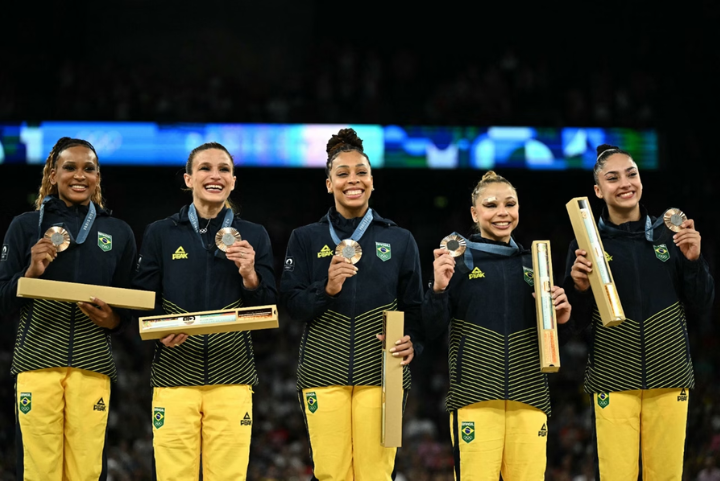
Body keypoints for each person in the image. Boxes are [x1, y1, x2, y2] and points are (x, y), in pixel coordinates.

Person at [279, 128, 423, 480]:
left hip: (383, 372)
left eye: (361, 172)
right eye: (342, 174)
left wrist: (413, 342)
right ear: (329, 184)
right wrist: (326, 288)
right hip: (322, 372)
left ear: (372, 181)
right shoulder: (305, 238)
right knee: (331, 473)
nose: (353, 180)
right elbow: (292, 305)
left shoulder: (399, 239)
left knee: (376, 473)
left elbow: (416, 309)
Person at [565, 144, 714, 480]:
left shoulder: (670, 234)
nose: (625, 183)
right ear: (598, 190)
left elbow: (703, 305)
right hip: (613, 381)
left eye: (631, 173)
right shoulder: (586, 244)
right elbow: (573, 324)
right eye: (613, 178)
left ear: (640, 179)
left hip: (670, 378)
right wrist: (579, 288)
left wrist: (693, 262)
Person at [132, 142, 277, 481]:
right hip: (174, 376)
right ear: (188, 178)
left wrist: (250, 275)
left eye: (224, 169)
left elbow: (269, 306)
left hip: (233, 376)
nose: (215, 175)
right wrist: (158, 328)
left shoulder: (254, 235)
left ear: (234, 180)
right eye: (205, 168)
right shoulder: (161, 232)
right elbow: (143, 298)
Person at [0, 137, 137, 481]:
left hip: (92, 366)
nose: (80, 175)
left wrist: (114, 319)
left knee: (87, 471)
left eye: (88, 168)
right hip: (37, 362)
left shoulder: (118, 233)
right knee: (39, 471)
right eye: (70, 167)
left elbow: (130, 304)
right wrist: (29, 273)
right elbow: (3, 300)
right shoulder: (25, 226)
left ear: (98, 177)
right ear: (52, 174)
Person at [424, 170, 572, 480]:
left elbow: (551, 340)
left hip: (530, 396)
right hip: (475, 397)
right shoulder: (459, 262)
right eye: (491, 205)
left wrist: (562, 317)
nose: (502, 213)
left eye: (510, 204)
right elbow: (431, 328)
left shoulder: (536, 264)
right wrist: (437, 290)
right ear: (474, 213)